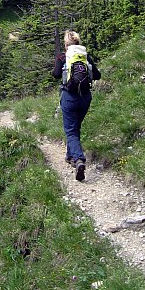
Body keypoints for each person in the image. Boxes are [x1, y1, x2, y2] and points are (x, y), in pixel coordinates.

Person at [52, 30, 100, 181]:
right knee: (75, 127)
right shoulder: (86, 57)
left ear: (66, 44)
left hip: (69, 97)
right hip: (85, 97)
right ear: (78, 42)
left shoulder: (62, 56)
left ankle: (79, 160)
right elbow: (97, 75)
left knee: (71, 131)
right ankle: (70, 156)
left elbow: (55, 74)